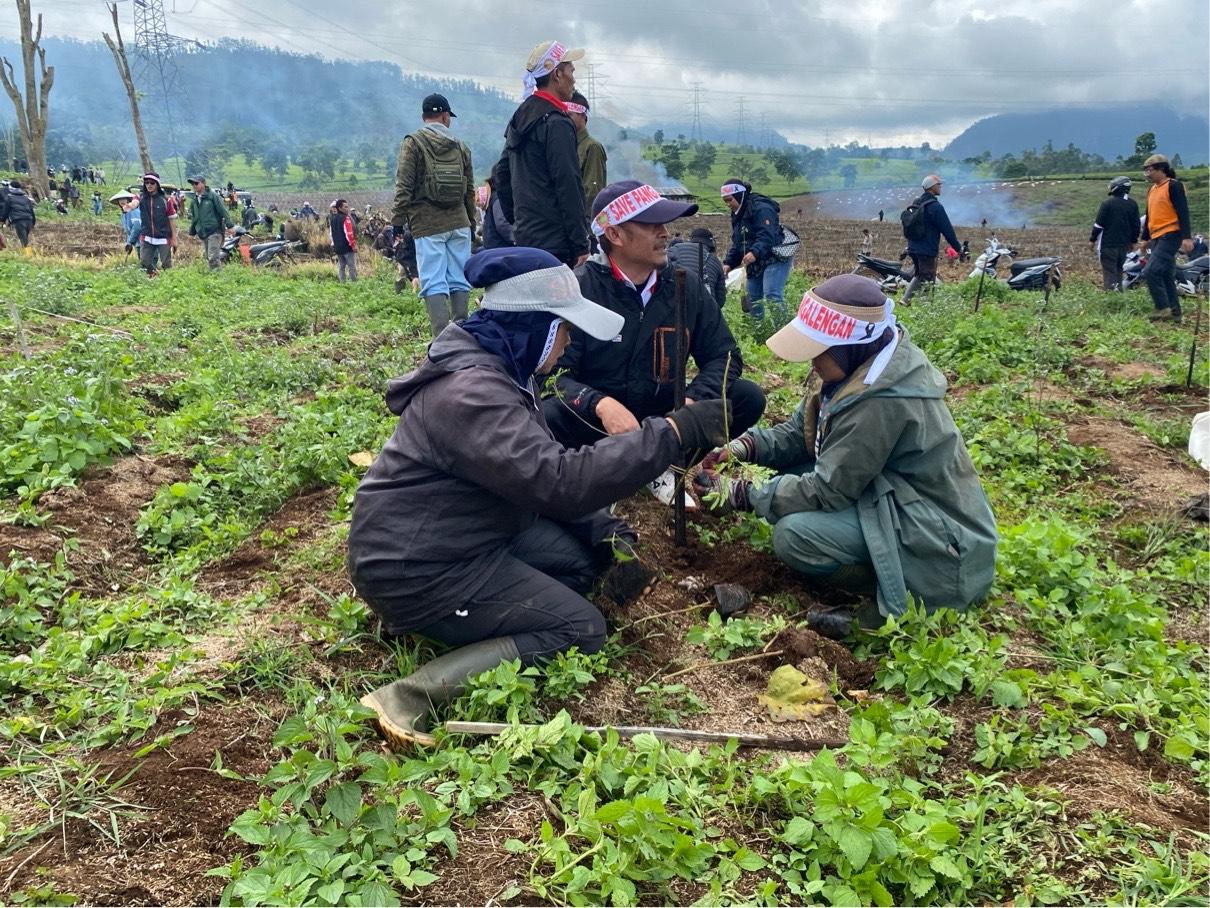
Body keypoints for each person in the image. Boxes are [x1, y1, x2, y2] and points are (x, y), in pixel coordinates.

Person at [349, 247, 730, 747]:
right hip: (417, 566)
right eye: (564, 328)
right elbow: (558, 481)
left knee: (579, 564)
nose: (569, 341)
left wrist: (605, 530)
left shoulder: (503, 368)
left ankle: (459, 623)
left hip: (469, 535)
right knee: (580, 628)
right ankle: (409, 695)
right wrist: (669, 434)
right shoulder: (473, 393)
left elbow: (536, 473)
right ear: (535, 326)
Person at [695, 273, 997, 638]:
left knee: (794, 535)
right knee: (789, 476)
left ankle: (896, 584)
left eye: (818, 351)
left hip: (939, 541)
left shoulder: (880, 400)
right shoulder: (857, 368)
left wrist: (741, 494)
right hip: (891, 496)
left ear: (850, 345)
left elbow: (827, 491)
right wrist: (744, 446)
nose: (811, 363)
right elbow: (801, 433)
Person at [542, 181, 766, 505]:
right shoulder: (580, 289)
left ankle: (664, 465)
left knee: (745, 397)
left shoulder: (683, 286)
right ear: (615, 235)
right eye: (651, 224)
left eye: (664, 223)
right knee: (547, 412)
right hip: (598, 425)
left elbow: (724, 355)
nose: (665, 232)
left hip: (664, 422)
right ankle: (593, 471)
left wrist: (689, 405)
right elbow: (553, 375)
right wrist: (600, 404)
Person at [493, 41, 589, 267]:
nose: (573, 79)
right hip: (556, 242)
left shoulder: (522, 115)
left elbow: (501, 174)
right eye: (571, 71)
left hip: (527, 237)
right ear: (557, 74)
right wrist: (579, 243)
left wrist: (518, 222)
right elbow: (568, 183)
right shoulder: (557, 122)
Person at [393, 93, 477, 335]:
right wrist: (471, 222)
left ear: (423, 117)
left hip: (427, 224)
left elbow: (404, 185)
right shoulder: (461, 146)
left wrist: (398, 221)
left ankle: (441, 338)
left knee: (433, 279)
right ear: (445, 116)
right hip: (459, 221)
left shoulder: (413, 143)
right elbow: (469, 189)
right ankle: (462, 330)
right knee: (459, 277)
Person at [721, 178, 797, 322]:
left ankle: (784, 330)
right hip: (756, 259)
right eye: (725, 201)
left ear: (739, 195)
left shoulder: (761, 208)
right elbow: (739, 241)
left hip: (775, 256)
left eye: (729, 200)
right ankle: (758, 333)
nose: (728, 204)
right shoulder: (738, 213)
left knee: (772, 294)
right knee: (752, 299)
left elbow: (767, 235)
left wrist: (754, 252)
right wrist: (729, 263)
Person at [1139, 154, 1193, 324]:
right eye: (1146, 171)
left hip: (1170, 234)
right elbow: (1149, 216)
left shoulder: (1174, 186)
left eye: (1150, 170)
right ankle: (1176, 314)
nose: (1147, 174)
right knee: (1166, 274)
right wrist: (1145, 238)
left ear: (1161, 169)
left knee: (1150, 271)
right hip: (1157, 236)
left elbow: (1182, 212)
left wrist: (1187, 237)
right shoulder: (1152, 189)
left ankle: (1163, 307)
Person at [901, 174, 961, 305]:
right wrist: (958, 248)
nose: (940, 187)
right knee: (928, 278)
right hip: (927, 249)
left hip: (913, 247)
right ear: (932, 187)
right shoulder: (935, 207)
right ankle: (926, 306)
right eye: (939, 185)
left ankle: (905, 301)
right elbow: (947, 230)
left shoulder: (917, 202)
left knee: (919, 275)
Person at [1088, 176, 1140, 292]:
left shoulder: (1108, 203)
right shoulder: (1133, 204)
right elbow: (1136, 226)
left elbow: (1099, 225)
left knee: (1109, 272)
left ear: (1116, 188)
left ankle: (1111, 297)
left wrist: (1092, 240)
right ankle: (1119, 293)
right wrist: (1133, 241)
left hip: (1108, 245)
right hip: (1124, 246)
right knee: (1119, 271)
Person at [566, 91, 607, 214]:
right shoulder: (565, 146)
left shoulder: (592, 147)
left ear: (583, 116)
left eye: (570, 115)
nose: (565, 120)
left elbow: (592, 191)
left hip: (583, 221)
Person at [667, 226, 726, 307]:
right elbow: (720, 299)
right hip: (704, 309)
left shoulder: (676, 248)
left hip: (673, 306)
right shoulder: (715, 260)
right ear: (711, 244)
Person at [186, 175, 234, 271]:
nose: (194, 185)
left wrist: (230, 226)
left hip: (215, 231)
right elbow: (195, 219)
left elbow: (223, 211)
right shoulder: (194, 201)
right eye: (192, 184)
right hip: (204, 232)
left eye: (196, 183)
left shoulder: (213, 196)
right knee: (208, 256)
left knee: (213, 257)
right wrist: (192, 233)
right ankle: (214, 276)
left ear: (203, 183)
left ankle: (217, 279)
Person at [137, 172, 177, 276]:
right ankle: (150, 280)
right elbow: (134, 202)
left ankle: (168, 282)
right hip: (147, 235)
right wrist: (129, 206)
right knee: (145, 262)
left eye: (152, 183)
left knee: (166, 263)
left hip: (163, 236)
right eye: (146, 183)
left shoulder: (166, 200)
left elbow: (172, 220)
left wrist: (174, 238)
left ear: (157, 184)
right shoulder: (141, 198)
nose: (149, 185)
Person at [479, 176, 515, 250]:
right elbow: (502, 223)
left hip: (491, 246)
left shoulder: (492, 197)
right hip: (500, 247)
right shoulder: (498, 198)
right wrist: (515, 238)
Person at [1, 179, 36, 248]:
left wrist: (2, 220)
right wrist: (33, 221)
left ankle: (27, 256)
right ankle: (26, 254)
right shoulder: (26, 197)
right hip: (29, 219)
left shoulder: (9, 198)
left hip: (18, 220)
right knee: (25, 239)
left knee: (23, 240)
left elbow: (6, 211)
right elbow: (31, 210)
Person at [329, 198, 358, 283]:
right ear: (339, 208)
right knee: (351, 266)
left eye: (347, 207)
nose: (347, 209)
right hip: (347, 247)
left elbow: (331, 234)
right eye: (345, 207)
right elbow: (349, 234)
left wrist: (333, 244)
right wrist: (353, 245)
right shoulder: (346, 218)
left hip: (338, 247)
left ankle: (342, 283)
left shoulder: (332, 219)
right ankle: (355, 284)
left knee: (341, 267)